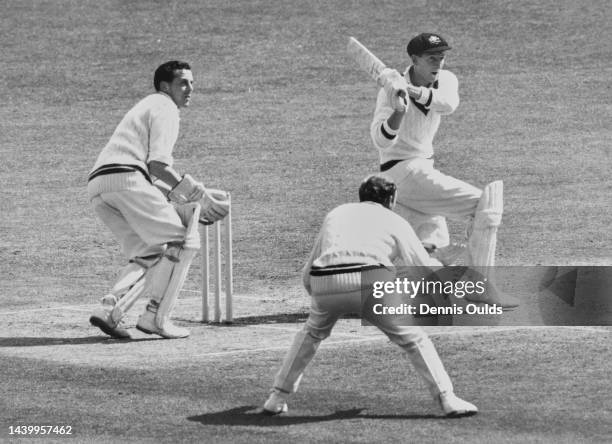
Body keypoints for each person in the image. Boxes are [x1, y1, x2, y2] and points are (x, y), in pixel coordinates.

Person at [262, 175, 478, 417]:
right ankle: (447, 399)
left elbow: (308, 269)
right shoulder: (394, 220)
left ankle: (276, 398)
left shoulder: (336, 214)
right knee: (414, 340)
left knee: (310, 335)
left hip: (324, 279)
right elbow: (423, 268)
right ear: (391, 199)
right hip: (371, 280)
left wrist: (322, 302)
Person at [370, 32, 518, 308]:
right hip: (402, 172)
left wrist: (410, 90)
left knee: (432, 254)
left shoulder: (446, 80)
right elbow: (380, 139)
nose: (438, 63)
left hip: (421, 171)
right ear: (414, 59)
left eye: (441, 57)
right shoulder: (388, 92)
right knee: (484, 205)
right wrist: (398, 108)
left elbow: (447, 104)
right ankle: (480, 288)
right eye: (431, 58)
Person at [87, 61, 229, 340]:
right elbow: (158, 165)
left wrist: (174, 196)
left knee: (149, 250)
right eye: (183, 83)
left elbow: (148, 173)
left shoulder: (145, 105)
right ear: (166, 86)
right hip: (128, 179)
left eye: (192, 83)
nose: (190, 89)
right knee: (183, 240)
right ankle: (156, 318)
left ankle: (110, 309)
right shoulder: (165, 107)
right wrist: (197, 194)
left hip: (100, 185)